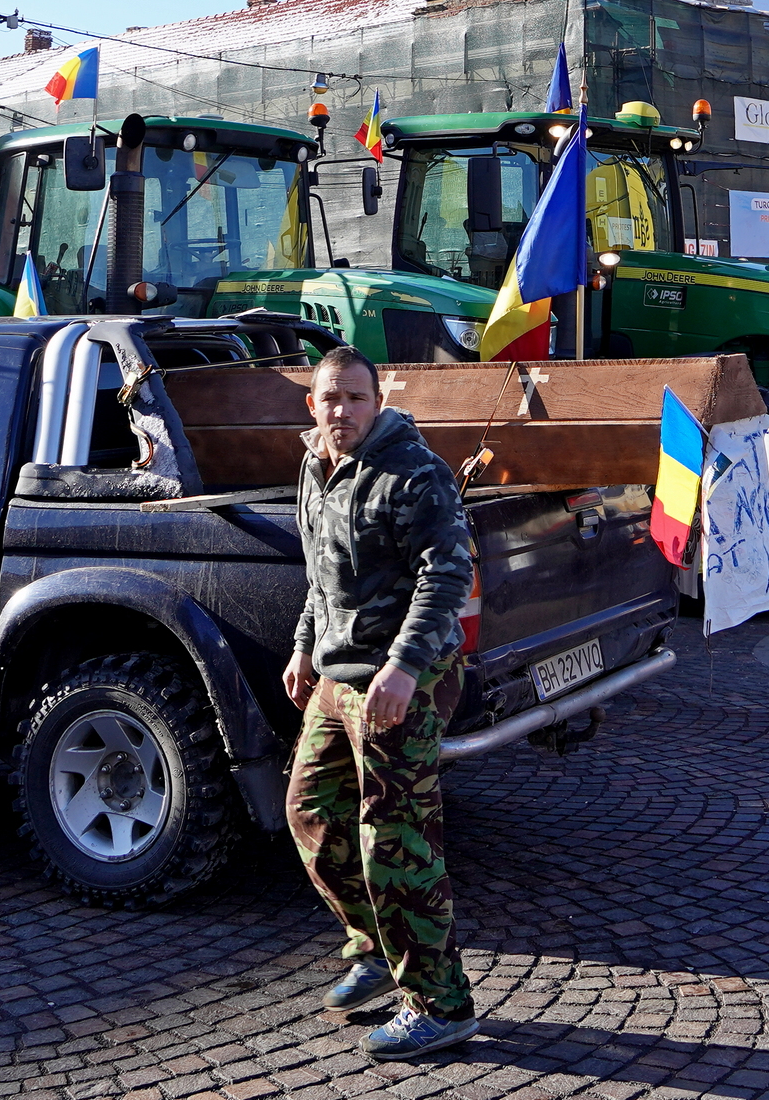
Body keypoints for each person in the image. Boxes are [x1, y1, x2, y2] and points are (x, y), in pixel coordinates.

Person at [280, 347, 483, 1060]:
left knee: (393, 836)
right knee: (308, 810)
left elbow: (449, 573)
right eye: (330, 398)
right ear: (313, 404)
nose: (342, 411)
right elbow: (321, 574)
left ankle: (440, 1001)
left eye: (355, 398)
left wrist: (401, 667)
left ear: (378, 400)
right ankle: (374, 948)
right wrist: (305, 644)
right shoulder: (314, 466)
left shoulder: (412, 471)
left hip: (404, 678)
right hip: (338, 675)